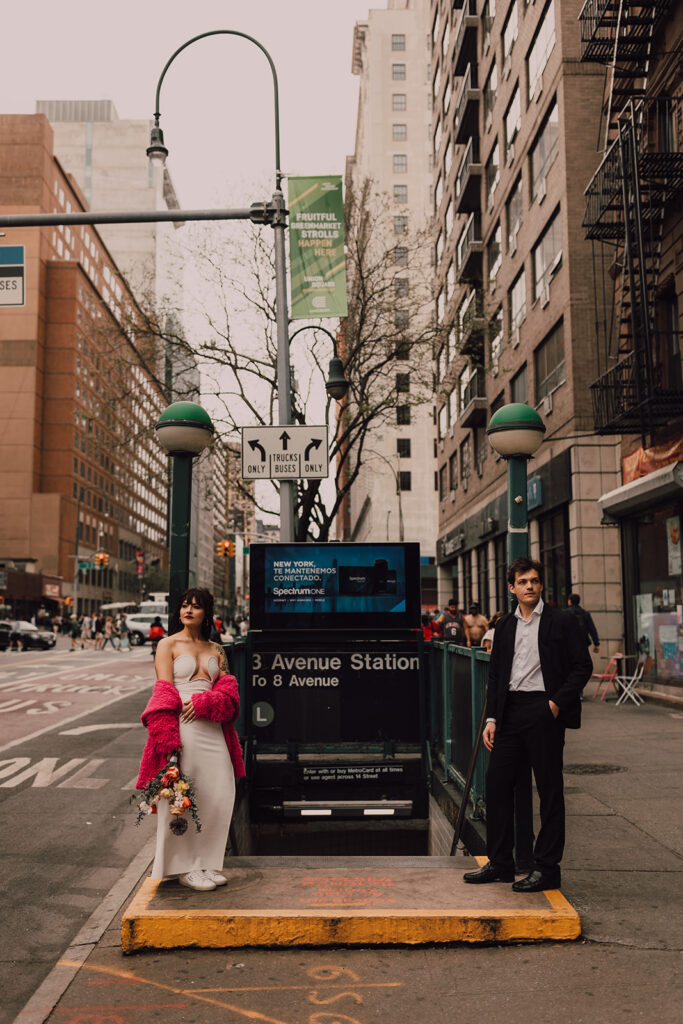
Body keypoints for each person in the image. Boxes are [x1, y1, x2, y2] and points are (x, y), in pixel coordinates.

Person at [463, 557, 592, 893]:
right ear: (512, 588)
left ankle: (546, 869)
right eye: (522, 582)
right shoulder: (505, 626)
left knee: (549, 790)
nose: (529, 586)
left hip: (543, 710)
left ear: (541, 585)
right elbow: (496, 676)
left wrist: (554, 704)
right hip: (510, 712)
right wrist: (491, 718)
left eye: (534, 580)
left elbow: (582, 667)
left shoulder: (561, 622)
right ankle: (501, 863)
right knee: (496, 782)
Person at [136, 587, 245, 891]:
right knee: (181, 797)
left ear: (206, 613)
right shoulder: (166, 645)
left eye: (196, 607)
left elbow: (229, 696)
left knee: (220, 794)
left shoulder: (216, 650)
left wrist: (206, 704)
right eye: (185, 605)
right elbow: (163, 692)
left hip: (212, 728)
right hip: (182, 727)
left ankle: (207, 863)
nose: (188, 610)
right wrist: (168, 739)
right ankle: (184, 867)